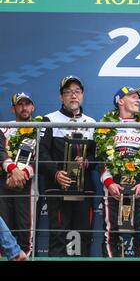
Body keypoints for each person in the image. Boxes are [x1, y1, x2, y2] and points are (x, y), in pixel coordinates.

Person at [95, 86, 140, 257]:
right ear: (120, 101)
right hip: (113, 185)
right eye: (132, 96)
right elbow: (100, 159)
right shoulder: (107, 125)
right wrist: (109, 183)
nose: (138, 99)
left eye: (138, 97)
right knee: (111, 231)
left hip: (139, 185)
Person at [39, 76, 96, 257]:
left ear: (83, 95)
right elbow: (41, 154)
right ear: (60, 97)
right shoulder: (49, 120)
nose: (73, 96)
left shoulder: (92, 123)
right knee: (58, 236)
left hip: (84, 190)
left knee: (83, 236)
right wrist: (56, 173)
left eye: (77, 91)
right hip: (57, 189)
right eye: (68, 92)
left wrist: (88, 162)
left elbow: (98, 156)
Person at [0, 92, 38, 257]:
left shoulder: (38, 128)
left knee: (25, 228)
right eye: (20, 104)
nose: (24, 107)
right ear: (13, 108)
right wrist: (11, 170)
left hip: (26, 184)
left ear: (33, 107)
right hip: (4, 181)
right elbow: (0, 152)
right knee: (4, 226)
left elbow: (40, 158)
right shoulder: (3, 127)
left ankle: (26, 257)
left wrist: (21, 174)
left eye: (27, 104)